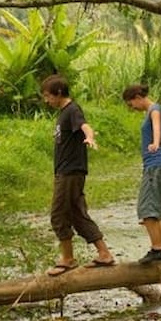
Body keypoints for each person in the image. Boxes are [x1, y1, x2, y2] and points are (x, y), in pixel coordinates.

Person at [41, 74, 115, 276]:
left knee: (58, 214)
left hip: (70, 172)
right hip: (67, 171)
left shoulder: (72, 109)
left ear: (58, 93)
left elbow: (85, 125)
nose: (46, 101)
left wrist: (89, 137)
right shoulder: (64, 112)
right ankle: (104, 254)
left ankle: (68, 259)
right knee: (76, 214)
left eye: (47, 96)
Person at [122, 84, 161, 264]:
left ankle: (157, 248)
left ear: (137, 96)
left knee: (146, 209)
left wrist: (155, 142)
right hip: (160, 166)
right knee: (158, 211)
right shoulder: (151, 111)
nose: (132, 108)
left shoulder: (154, 109)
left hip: (155, 165)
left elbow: (157, 123)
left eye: (131, 104)